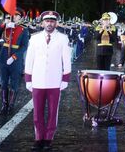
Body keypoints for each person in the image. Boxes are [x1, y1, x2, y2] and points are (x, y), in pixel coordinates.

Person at [24, 11, 71, 151]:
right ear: (42, 23)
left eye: (52, 21)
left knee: (52, 112)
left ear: (55, 23)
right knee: (37, 112)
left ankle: (48, 138)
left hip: (55, 80)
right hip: (37, 80)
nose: (49, 23)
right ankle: (38, 137)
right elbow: (29, 59)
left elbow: (66, 60)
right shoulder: (34, 38)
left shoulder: (63, 38)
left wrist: (65, 78)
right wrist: (28, 78)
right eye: (47, 21)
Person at [0, 9, 29, 116]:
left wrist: (14, 57)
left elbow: (25, 46)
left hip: (15, 59)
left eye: (17, 15)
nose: (14, 17)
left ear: (20, 18)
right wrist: (4, 25)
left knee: (14, 83)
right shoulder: (5, 27)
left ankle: (11, 104)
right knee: (3, 82)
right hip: (3, 58)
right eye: (12, 14)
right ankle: (4, 104)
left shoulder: (23, 30)